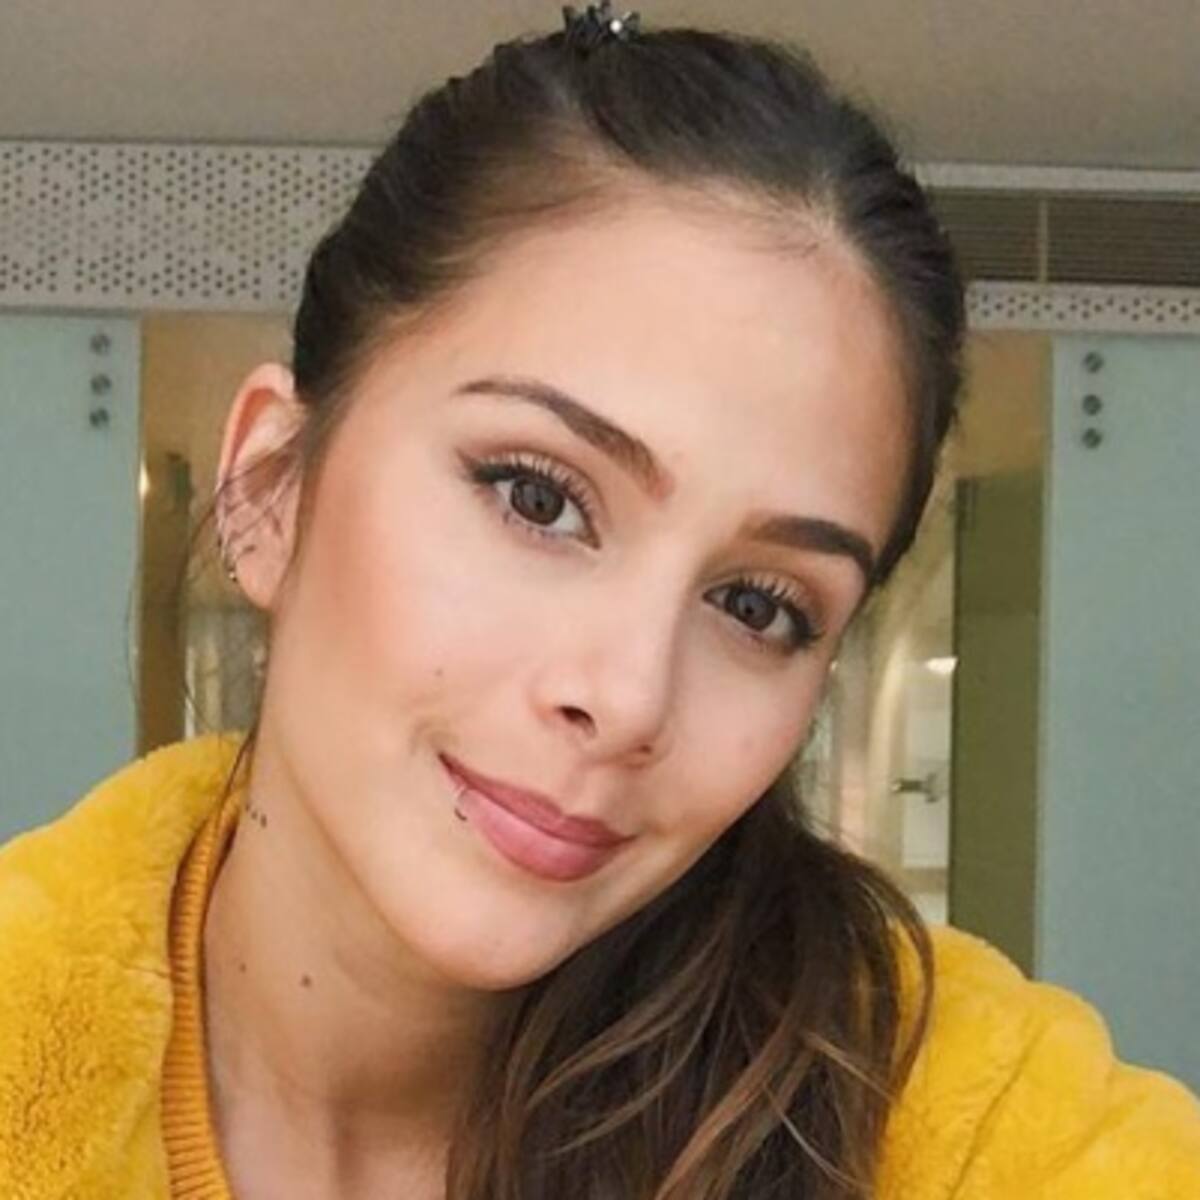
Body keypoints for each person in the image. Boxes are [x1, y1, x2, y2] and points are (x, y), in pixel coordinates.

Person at [2, 6, 1198, 1199]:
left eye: (758, 606)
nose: (628, 697)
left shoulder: (953, 1115)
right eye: (537, 497)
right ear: (270, 488)